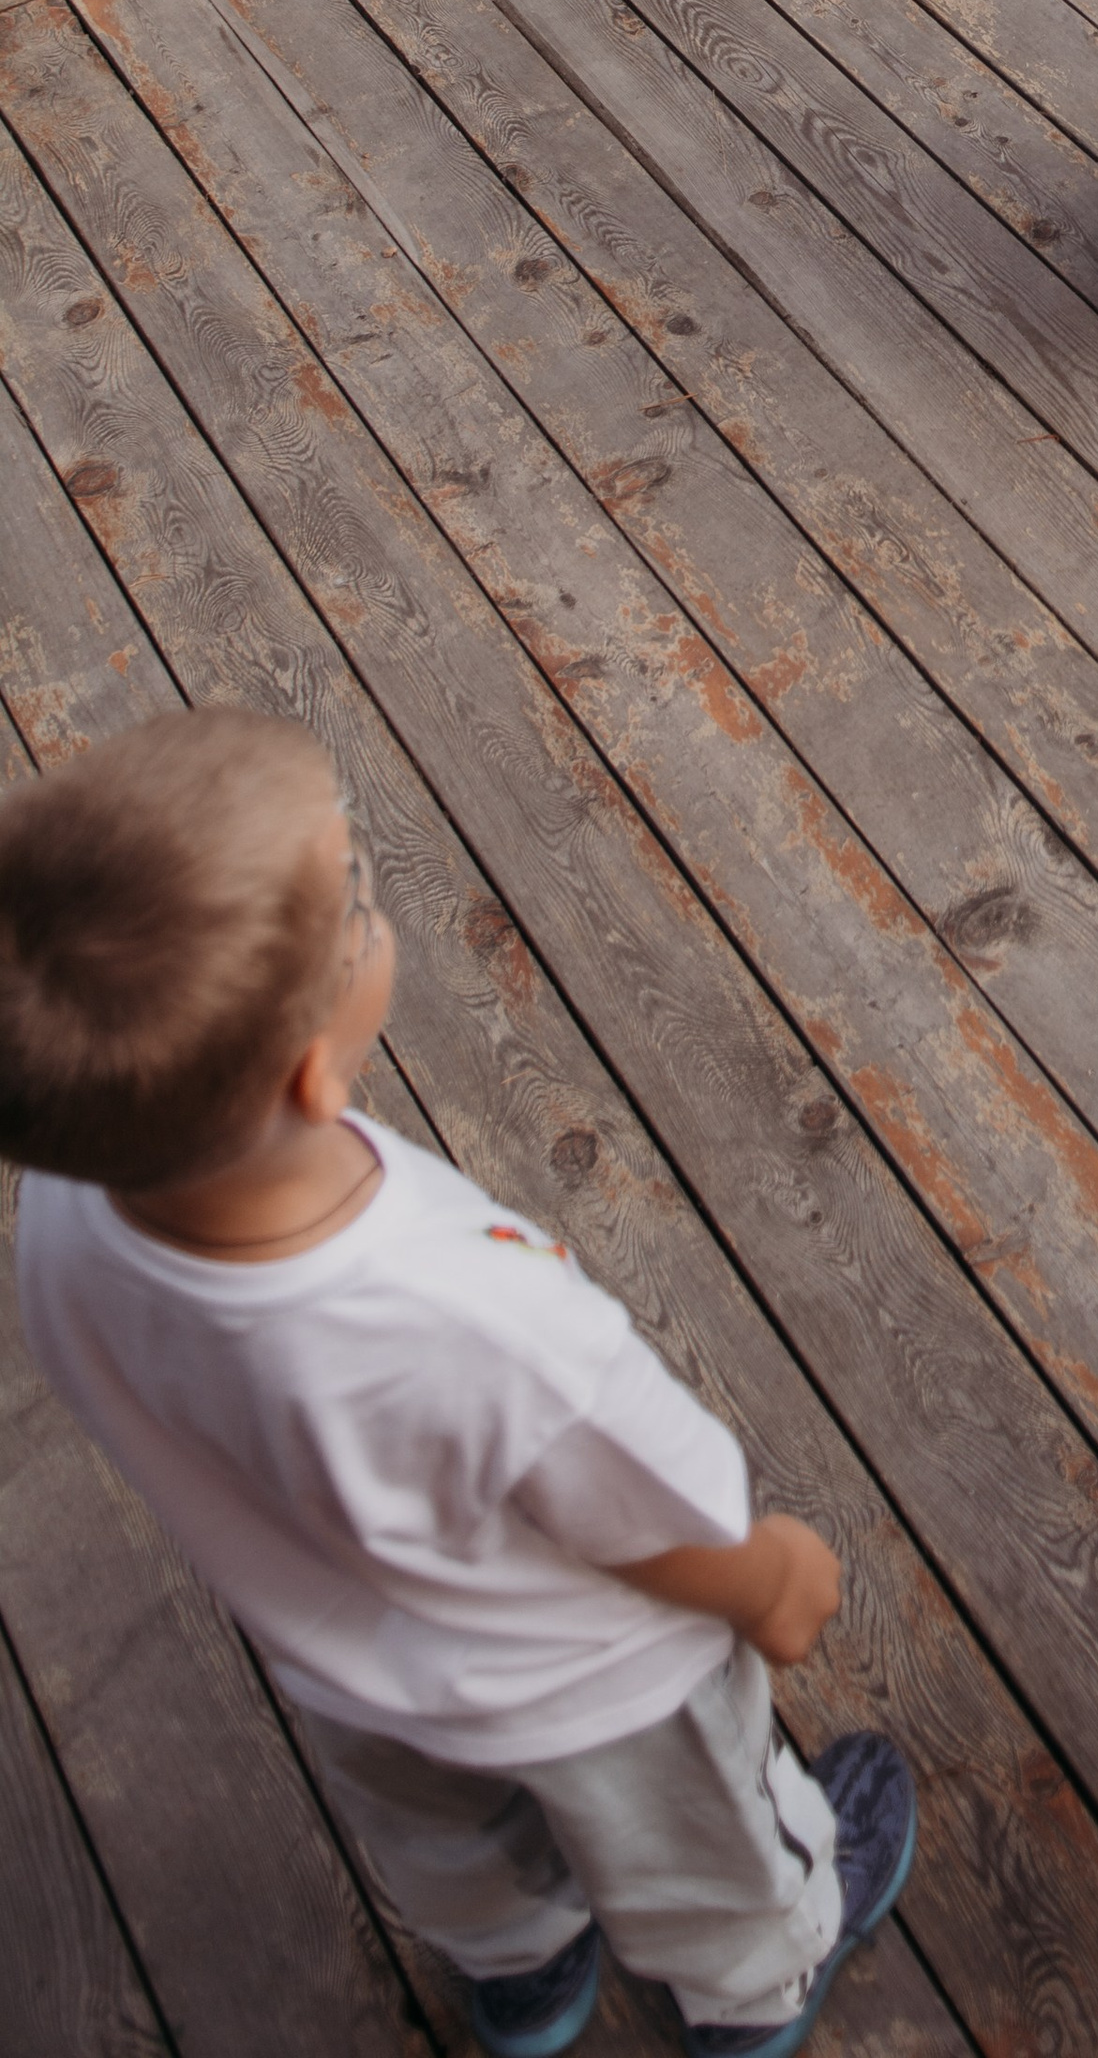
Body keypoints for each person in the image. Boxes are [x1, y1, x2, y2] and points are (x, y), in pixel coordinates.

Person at [0, 707, 915, 2058]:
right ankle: (755, 1983)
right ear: (317, 1072)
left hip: (359, 1678)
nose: (375, 894)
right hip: (601, 1687)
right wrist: (769, 1577)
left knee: (455, 1849)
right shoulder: (464, 1309)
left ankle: (525, 1980)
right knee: (706, 1846)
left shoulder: (69, 1225)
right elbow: (650, 1518)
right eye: (358, 897)